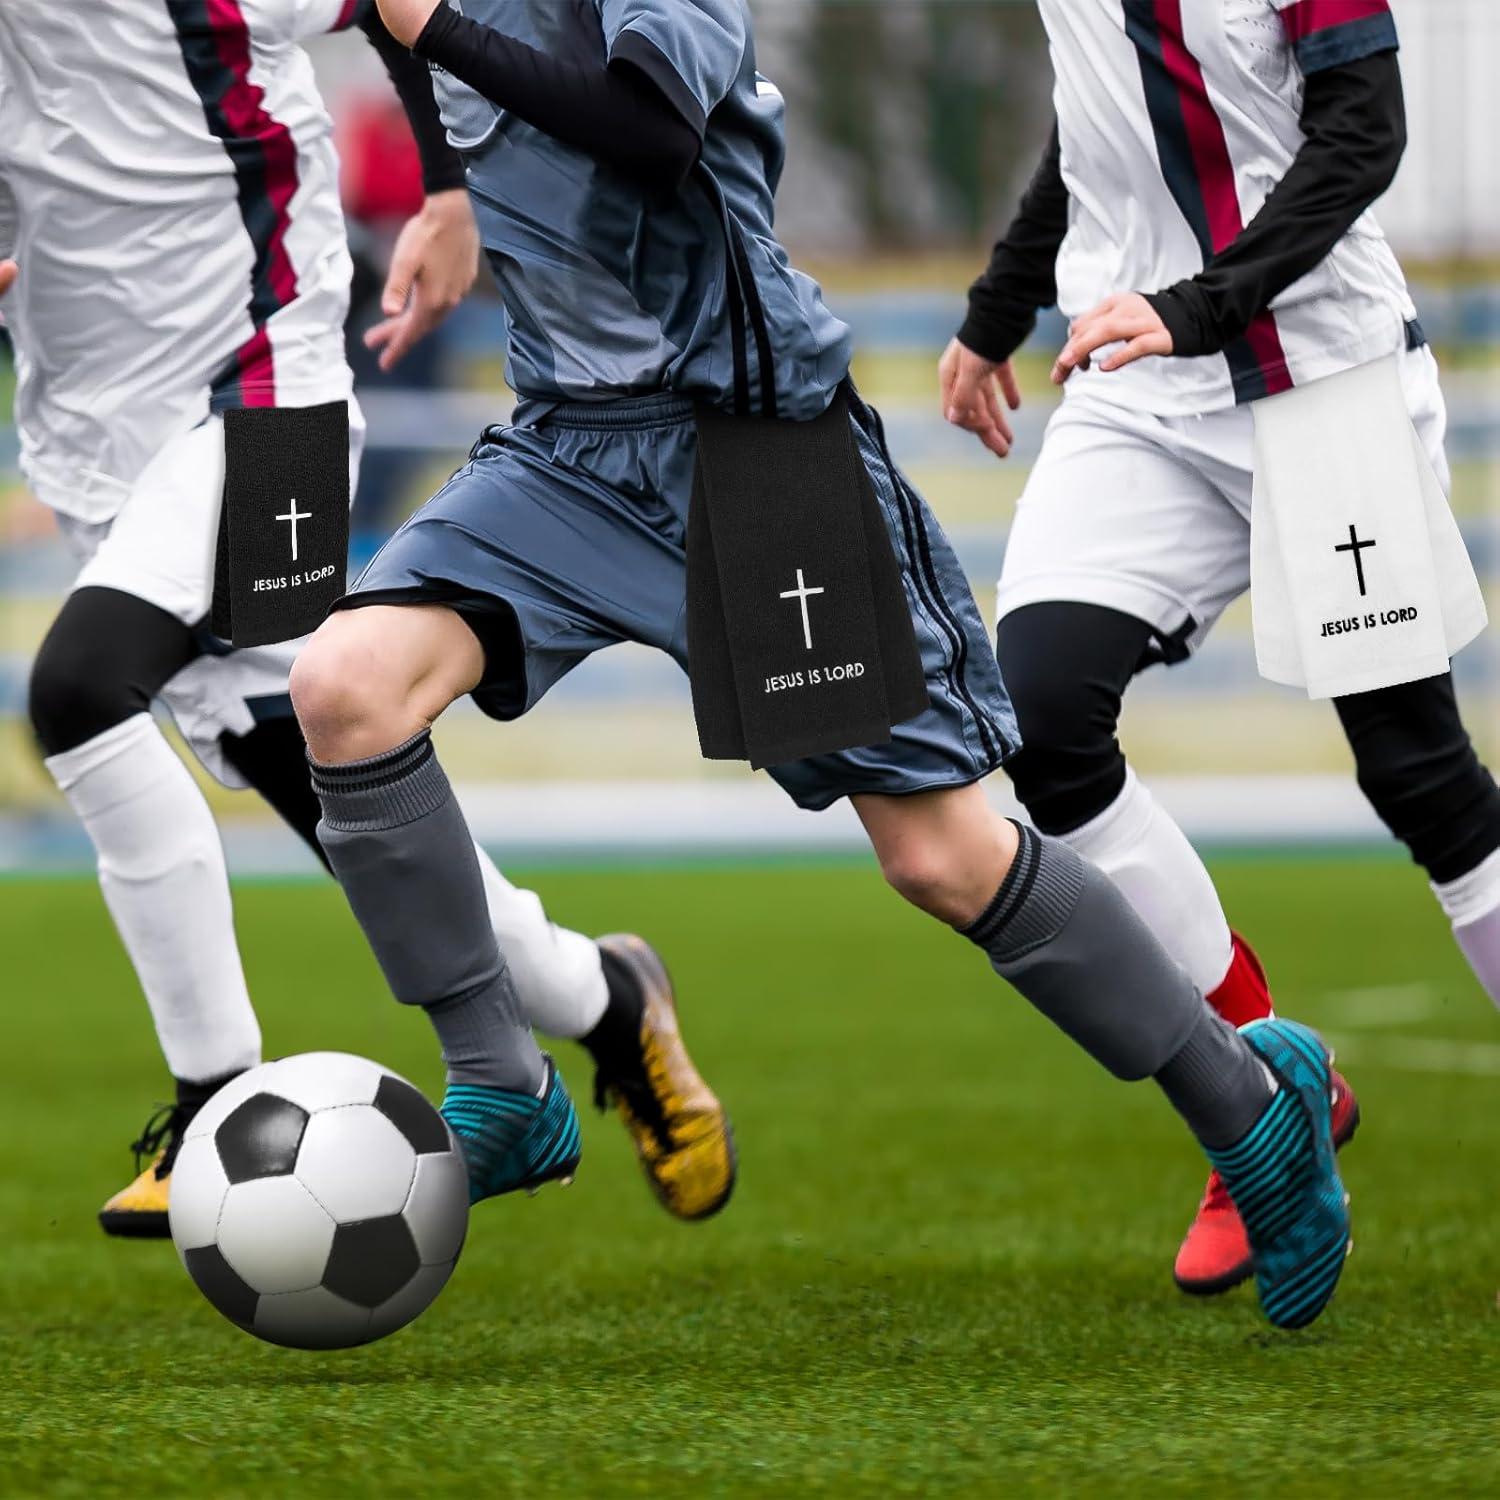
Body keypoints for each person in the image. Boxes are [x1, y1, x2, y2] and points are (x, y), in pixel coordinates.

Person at [288, 0, 1352, 1330]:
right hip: (568, 450)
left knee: (944, 860)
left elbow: (651, 131)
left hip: (757, 452)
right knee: (340, 688)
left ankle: (1251, 1106)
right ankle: (502, 1080)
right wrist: (448, 185)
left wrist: (428, 25)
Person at [0, 0, 733, 1237]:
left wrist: (449, 197)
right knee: (353, 816)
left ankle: (214, 1097)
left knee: (79, 692)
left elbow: (400, 14)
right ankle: (608, 998)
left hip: (269, 402)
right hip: (97, 452)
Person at [941, 0, 1500, 1296]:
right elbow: (1105, 123)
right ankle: (1262, 1089)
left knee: (1418, 772)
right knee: (1037, 719)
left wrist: (1201, 304)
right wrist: (995, 310)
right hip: (1143, 390)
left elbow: (1366, 135)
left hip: (1326, 378)